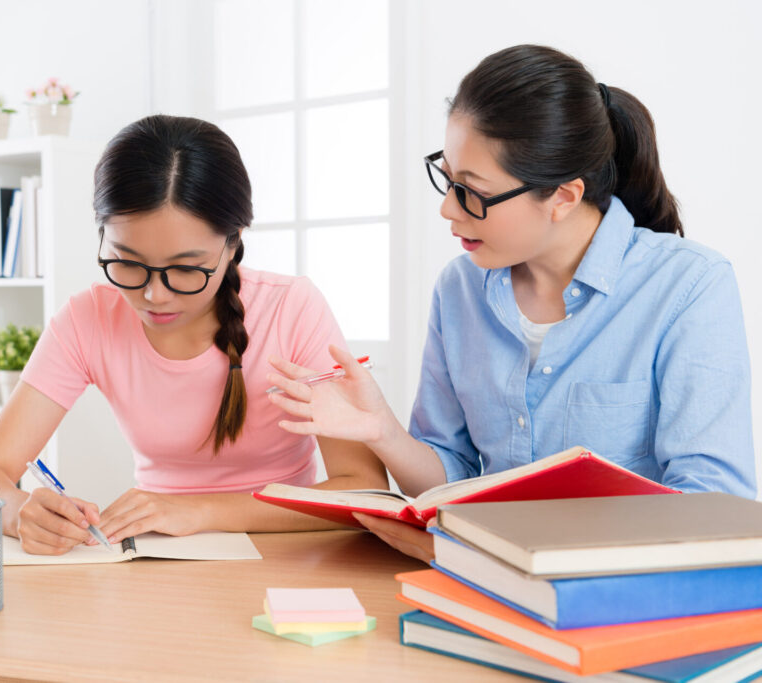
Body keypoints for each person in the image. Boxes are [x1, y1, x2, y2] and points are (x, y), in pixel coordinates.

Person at [267, 44, 756, 562]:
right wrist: (382, 431)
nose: (447, 208)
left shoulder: (688, 285)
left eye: (471, 191)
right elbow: (448, 477)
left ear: (563, 198)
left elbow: (713, 504)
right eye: (447, 178)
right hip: (477, 588)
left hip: (625, 602)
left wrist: (480, 557)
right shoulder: (459, 290)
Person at [0, 114, 387, 555]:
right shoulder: (88, 317)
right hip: (154, 556)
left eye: (185, 268)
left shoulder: (291, 307)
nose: (153, 294)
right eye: (127, 262)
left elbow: (363, 489)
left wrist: (198, 512)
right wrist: (17, 512)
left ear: (233, 243)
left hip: (285, 556)